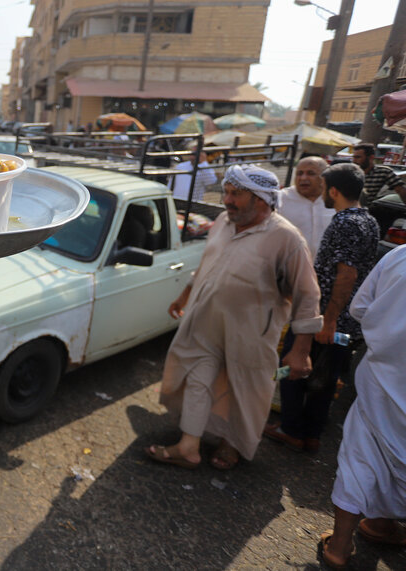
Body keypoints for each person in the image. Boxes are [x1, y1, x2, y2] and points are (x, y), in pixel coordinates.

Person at [146, 164, 322, 470]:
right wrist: (185, 294)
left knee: (245, 389)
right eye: (227, 192)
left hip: (252, 330)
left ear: (262, 200)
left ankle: (232, 445)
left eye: (236, 194)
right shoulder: (223, 223)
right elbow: (207, 263)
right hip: (206, 319)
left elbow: (308, 296)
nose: (227, 200)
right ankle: (189, 447)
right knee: (198, 378)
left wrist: (301, 350)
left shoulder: (287, 239)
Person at [265, 163, 378, 454]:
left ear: (334, 190)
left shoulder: (344, 223)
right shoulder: (368, 220)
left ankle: (291, 429)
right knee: (325, 377)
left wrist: (327, 322)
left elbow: (347, 275)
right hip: (344, 320)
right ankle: (311, 434)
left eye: (325, 187)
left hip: (323, 318)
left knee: (293, 367)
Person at [319, 243, 406, 569]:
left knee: (361, 456)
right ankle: (381, 525)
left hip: (382, 380)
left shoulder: (400, 256)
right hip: (384, 381)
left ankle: (339, 548)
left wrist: (387, 332)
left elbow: (359, 308)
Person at [276, 156, 335, 260]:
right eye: (299, 173)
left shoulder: (336, 199)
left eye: (311, 173)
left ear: (325, 177)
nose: (303, 178)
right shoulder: (280, 199)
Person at [352, 142, 406, 207]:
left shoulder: (383, 172)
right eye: (354, 157)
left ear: (371, 158)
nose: (354, 160)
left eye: (358, 157)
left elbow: (400, 190)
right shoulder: (349, 172)